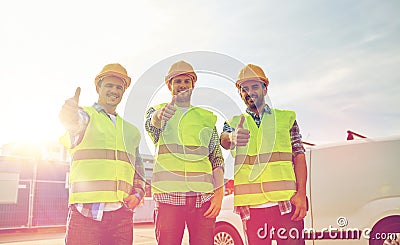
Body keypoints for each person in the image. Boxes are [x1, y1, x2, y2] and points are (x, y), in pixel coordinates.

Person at [220, 64, 308, 245]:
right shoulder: (234, 122)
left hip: (286, 205)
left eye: (254, 86)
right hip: (253, 209)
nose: (249, 92)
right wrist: (232, 136)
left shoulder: (285, 119)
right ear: (240, 93)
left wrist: (301, 194)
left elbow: (298, 155)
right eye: (244, 88)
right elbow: (224, 140)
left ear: (265, 89)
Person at [59, 63, 145, 245]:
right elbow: (74, 123)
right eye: (109, 85)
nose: (114, 90)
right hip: (85, 214)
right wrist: (69, 115)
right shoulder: (85, 115)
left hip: (121, 216)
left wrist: (137, 194)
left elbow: (138, 169)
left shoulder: (131, 131)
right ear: (98, 87)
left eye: (119, 87)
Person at [145, 60, 225, 245]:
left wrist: (219, 196)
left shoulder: (206, 118)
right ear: (169, 85)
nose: (182, 85)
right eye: (177, 81)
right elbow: (152, 126)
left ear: (193, 85)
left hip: (203, 199)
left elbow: (217, 158)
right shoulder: (158, 111)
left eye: (186, 81)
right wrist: (160, 117)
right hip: (168, 199)